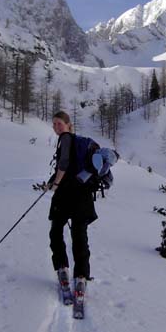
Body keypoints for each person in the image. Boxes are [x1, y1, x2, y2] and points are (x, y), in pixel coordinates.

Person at [47, 111, 97, 297]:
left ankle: (62, 268)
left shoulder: (66, 138)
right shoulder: (75, 141)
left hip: (66, 195)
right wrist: (53, 180)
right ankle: (81, 277)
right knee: (79, 236)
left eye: (59, 123)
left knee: (56, 231)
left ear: (68, 125)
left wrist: (56, 183)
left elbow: (64, 163)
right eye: (54, 124)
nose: (56, 127)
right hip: (82, 195)